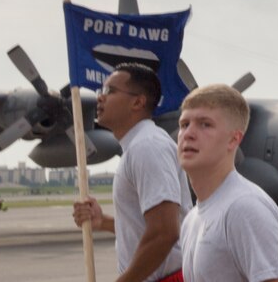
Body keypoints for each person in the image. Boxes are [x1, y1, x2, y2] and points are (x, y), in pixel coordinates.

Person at [73, 63, 191, 282]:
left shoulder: (147, 146)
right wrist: (103, 222)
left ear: (138, 101)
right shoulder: (138, 146)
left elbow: (165, 232)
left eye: (110, 91)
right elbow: (149, 227)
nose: (100, 98)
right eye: (101, 91)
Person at [178, 84, 278, 282]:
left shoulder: (244, 208)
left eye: (205, 124)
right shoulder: (191, 219)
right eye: (184, 124)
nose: (188, 134)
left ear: (234, 139)